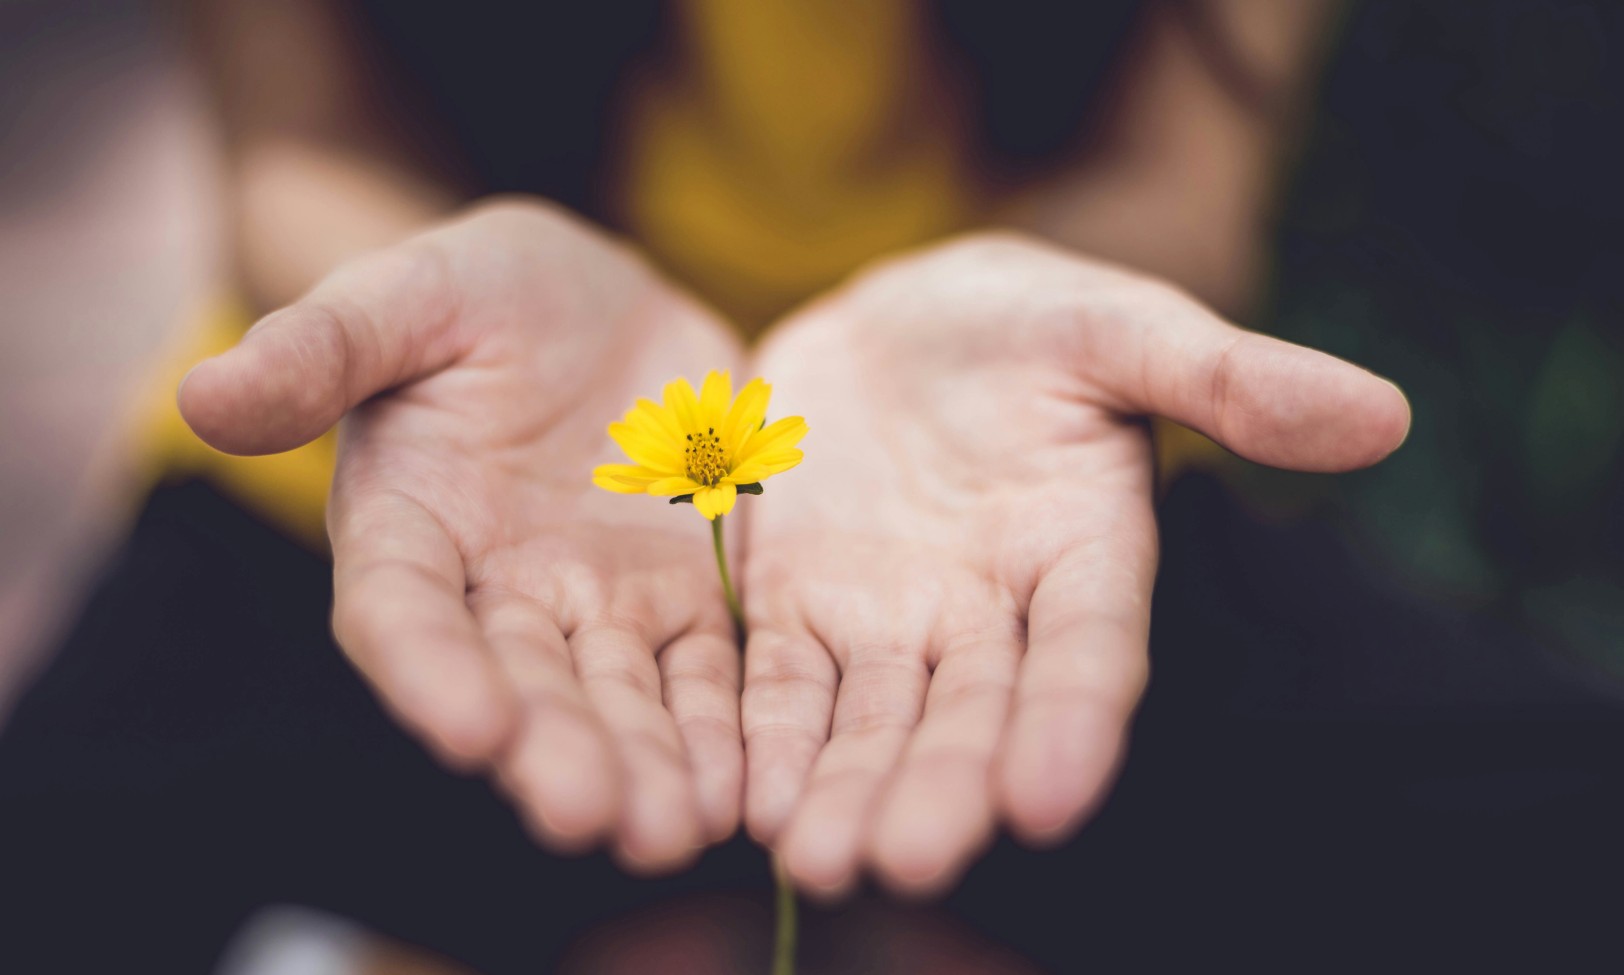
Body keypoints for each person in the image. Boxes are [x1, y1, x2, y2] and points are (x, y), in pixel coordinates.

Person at [170, 0, 1405, 896]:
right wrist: (394, 304)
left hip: (1008, 483)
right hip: (456, 473)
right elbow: (298, 147)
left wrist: (1063, 295)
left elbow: (1180, 179)